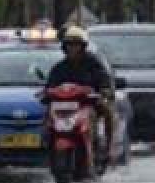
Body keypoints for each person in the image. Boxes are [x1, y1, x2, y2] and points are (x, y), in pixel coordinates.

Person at [45, 25, 115, 161]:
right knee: (47, 116)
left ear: (82, 46)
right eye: (69, 45)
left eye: (76, 45)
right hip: (64, 107)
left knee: (107, 111)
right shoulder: (59, 67)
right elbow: (50, 85)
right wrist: (47, 93)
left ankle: (108, 148)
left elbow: (104, 79)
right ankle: (48, 147)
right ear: (65, 47)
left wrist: (104, 91)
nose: (73, 48)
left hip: (88, 104)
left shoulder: (93, 63)